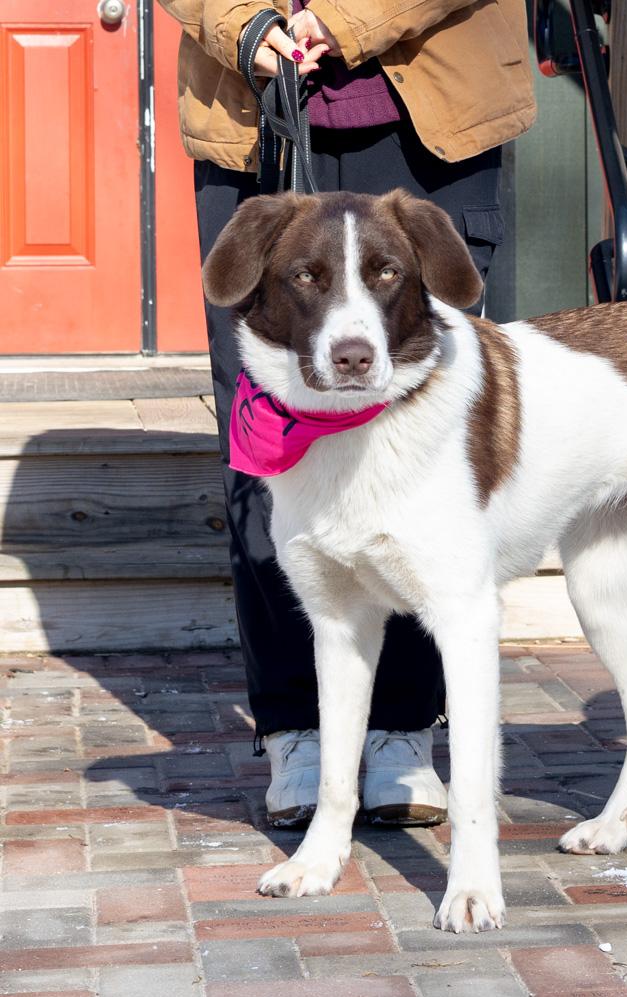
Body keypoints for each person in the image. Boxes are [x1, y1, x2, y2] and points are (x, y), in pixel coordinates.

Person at [159, 0, 535, 826]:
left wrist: (350, 16)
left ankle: (401, 729)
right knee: (267, 446)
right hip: (248, 111)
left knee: (427, 459)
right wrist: (241, 24)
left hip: (428, 114)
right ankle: (296, 728)